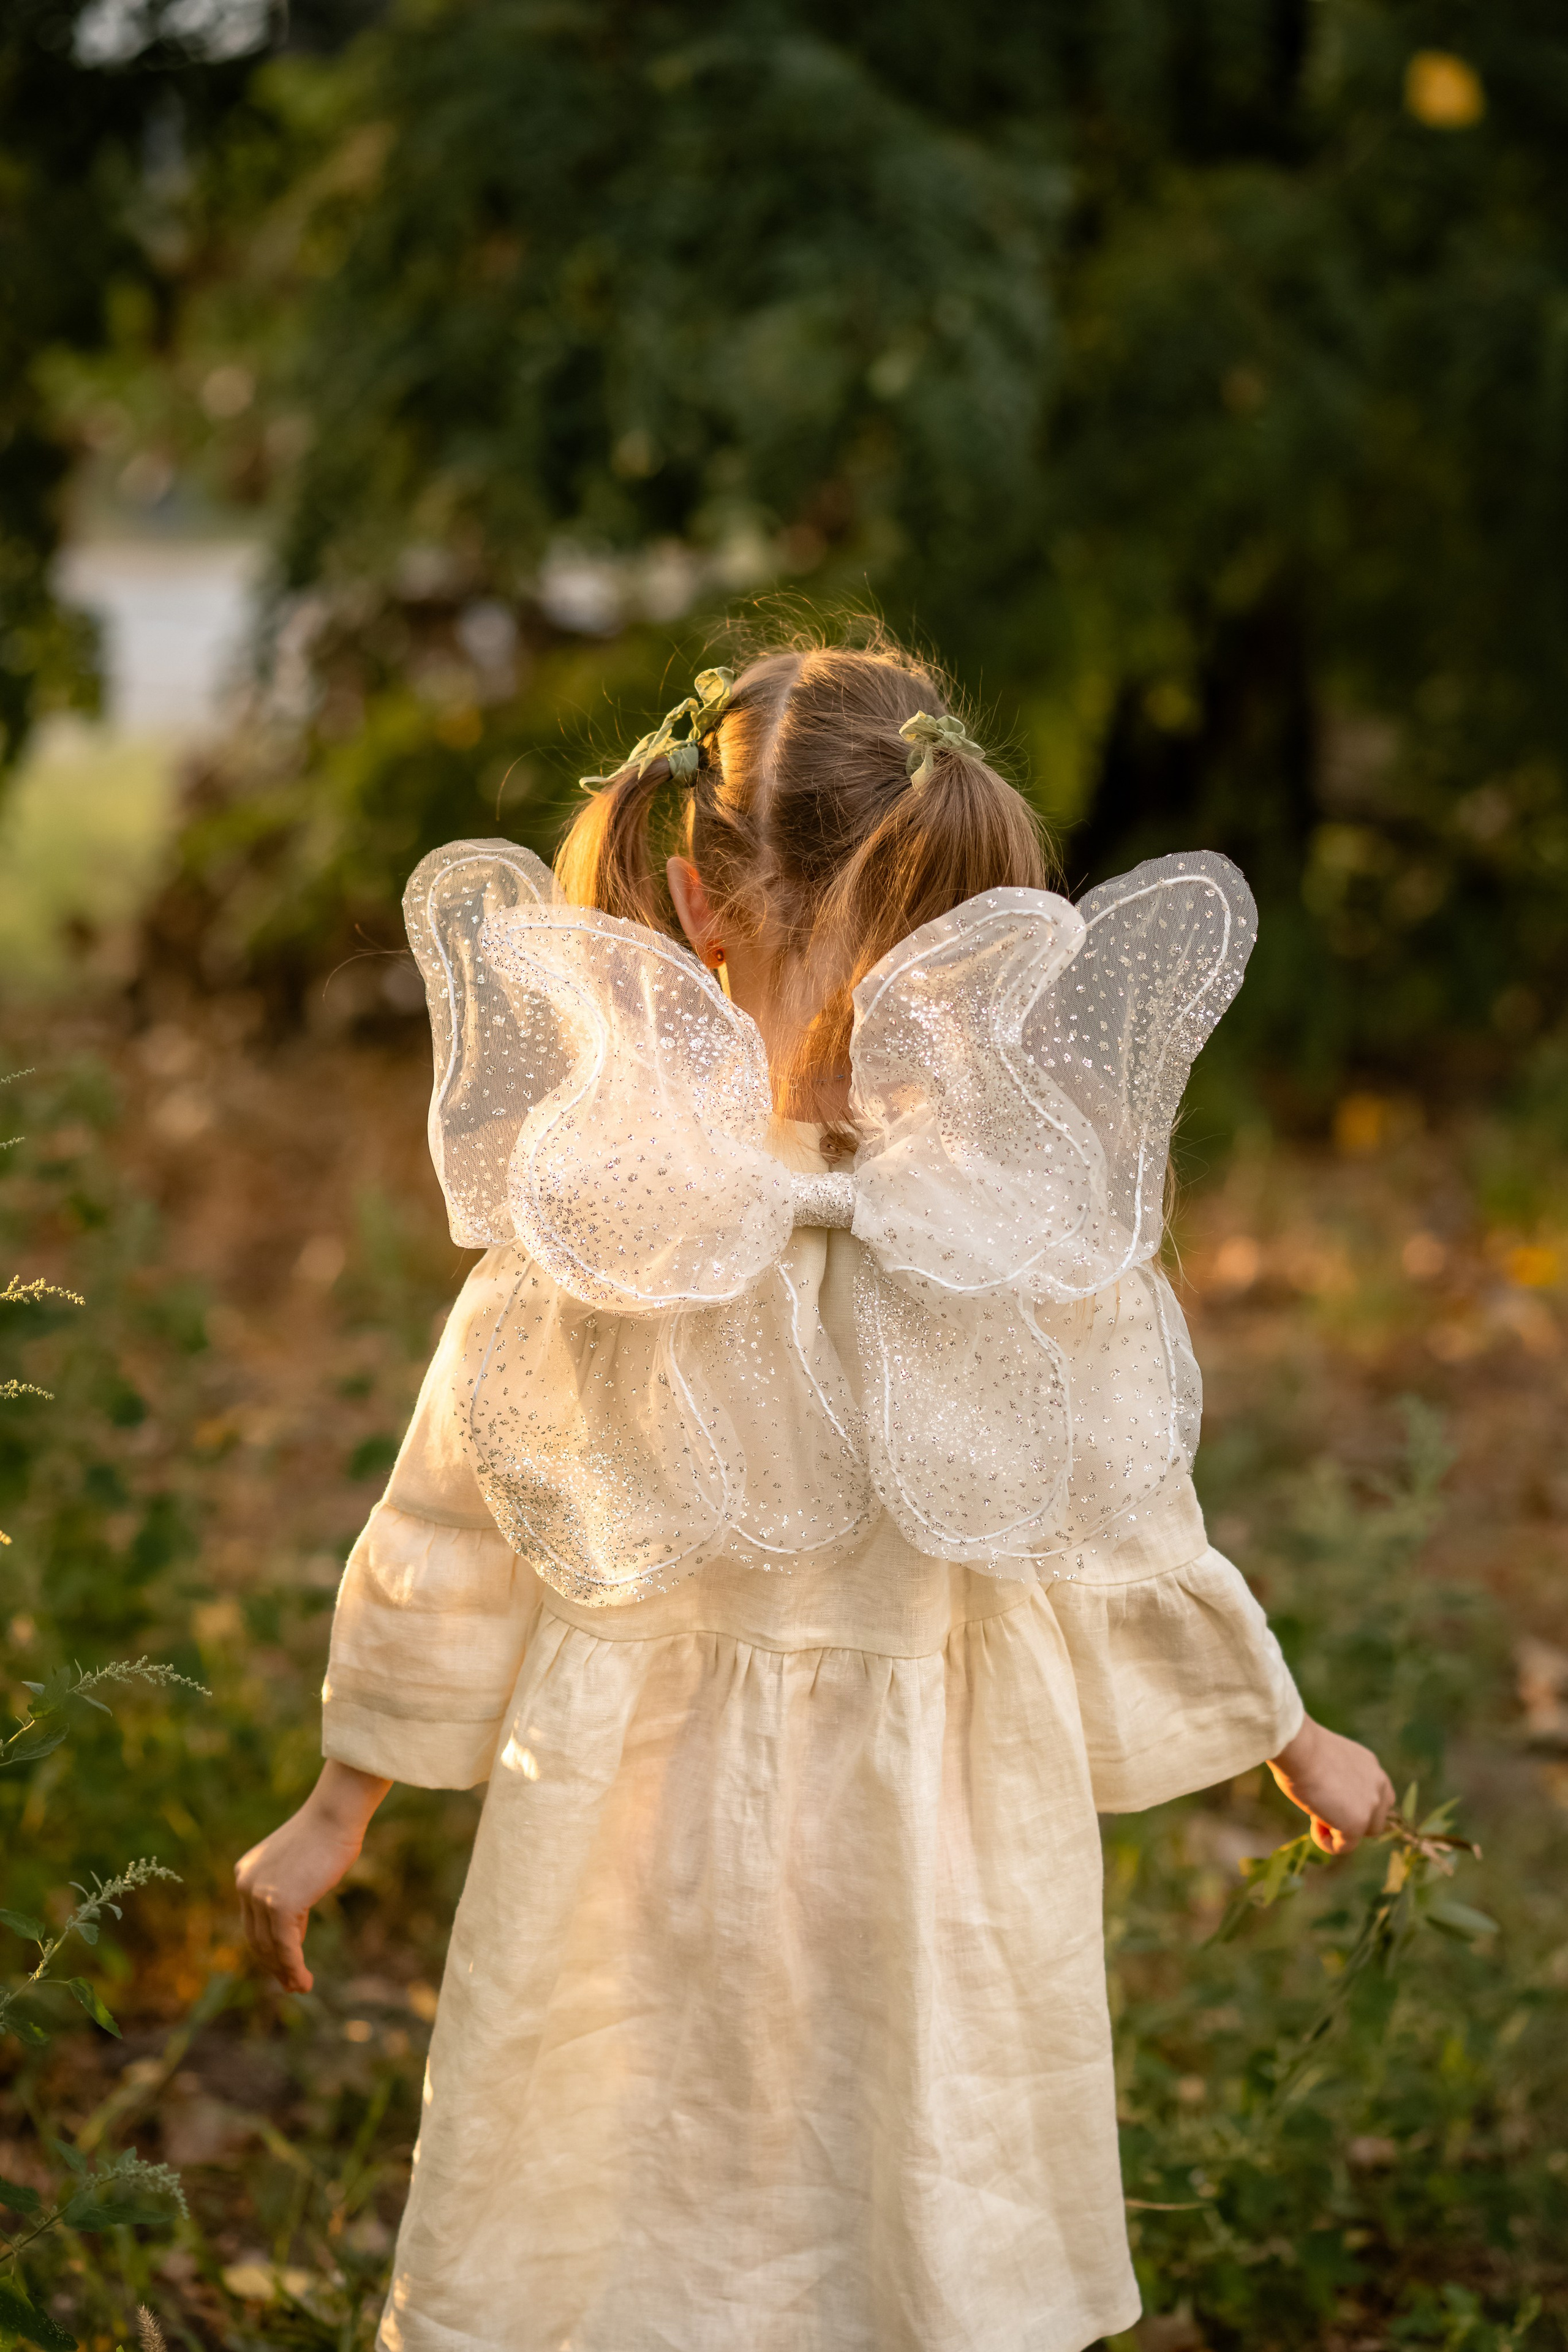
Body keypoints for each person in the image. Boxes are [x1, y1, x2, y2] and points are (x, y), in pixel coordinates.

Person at [236, 632, 1393, 2352]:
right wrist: (344, 1795)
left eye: (977, 957)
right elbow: (466, 1502)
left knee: (916, 2189)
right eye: (897, 950)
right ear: (707, 910)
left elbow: (1112, 1513)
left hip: (934, 1838)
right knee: (634, 2190)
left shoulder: (1009, 1227)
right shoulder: (618, 1213)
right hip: (642, 1838)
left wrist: (1276, 1720)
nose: (936, 1002)